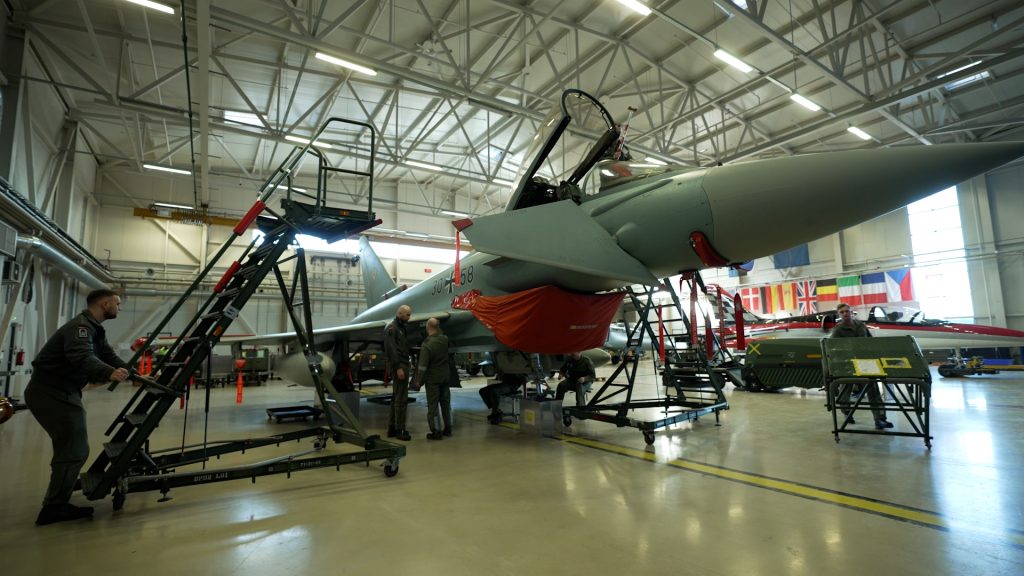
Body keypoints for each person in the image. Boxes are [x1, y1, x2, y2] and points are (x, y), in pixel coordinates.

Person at [24, 289, 131, 526]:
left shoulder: (94, 329)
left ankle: (58, 496)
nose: (119, 308)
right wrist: (109, 373)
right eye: (117, 304)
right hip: (51, 392)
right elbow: (81, 357)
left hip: (62, 392)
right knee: (74, 448)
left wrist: (133, 371)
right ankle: (54, 508)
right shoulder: (80, 328)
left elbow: (107, 355)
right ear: (105, 304)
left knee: (73, 447)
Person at [831, 302, 893, 429]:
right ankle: (847, 412)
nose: (845, 314)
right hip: (848, 364)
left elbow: (870, 341)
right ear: (839, 314)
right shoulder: (838, 330)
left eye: (846, 311)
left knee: (873, 390)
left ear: (851, 312)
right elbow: (833, 347)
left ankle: (880, 419)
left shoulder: (860, 325)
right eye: (842, 312)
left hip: (865, 362)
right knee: (845, 390)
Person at [412, 318, 451, 440]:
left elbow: (422, 367)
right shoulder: (445, 339)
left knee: (433, 406)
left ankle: (436, 431)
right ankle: (448, 428)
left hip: (433, 379)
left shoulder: (427, 345)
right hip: (445, 377)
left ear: (428, 327)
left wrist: (418, 381)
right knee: (445, 403)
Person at [383, 305, 413, 441]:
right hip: (399, 366)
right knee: (401, 399)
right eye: (407, 315)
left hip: (402, 364)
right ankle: (400, 429)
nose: (409, 317)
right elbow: (391, 350)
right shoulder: (392, 328)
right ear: (400, 314)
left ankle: (392, 428)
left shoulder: (401, 328)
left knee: (396, 397)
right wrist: (398, 367)